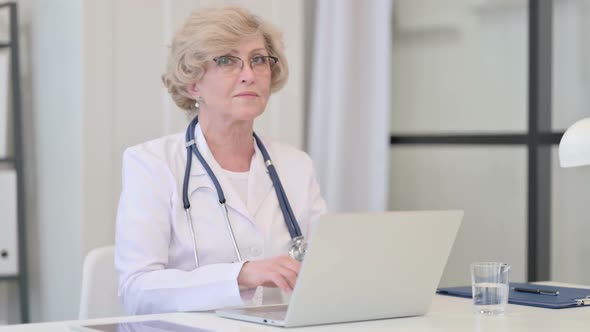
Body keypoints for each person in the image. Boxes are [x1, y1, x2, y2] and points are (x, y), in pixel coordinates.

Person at [114, 6, 327, 315]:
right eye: (227, 60)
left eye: (258, 60)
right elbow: (136, 290)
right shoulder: (151, 164)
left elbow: (325, 269)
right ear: (192, 83)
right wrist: (241, 274)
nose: (249, 75)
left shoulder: (296, 165)